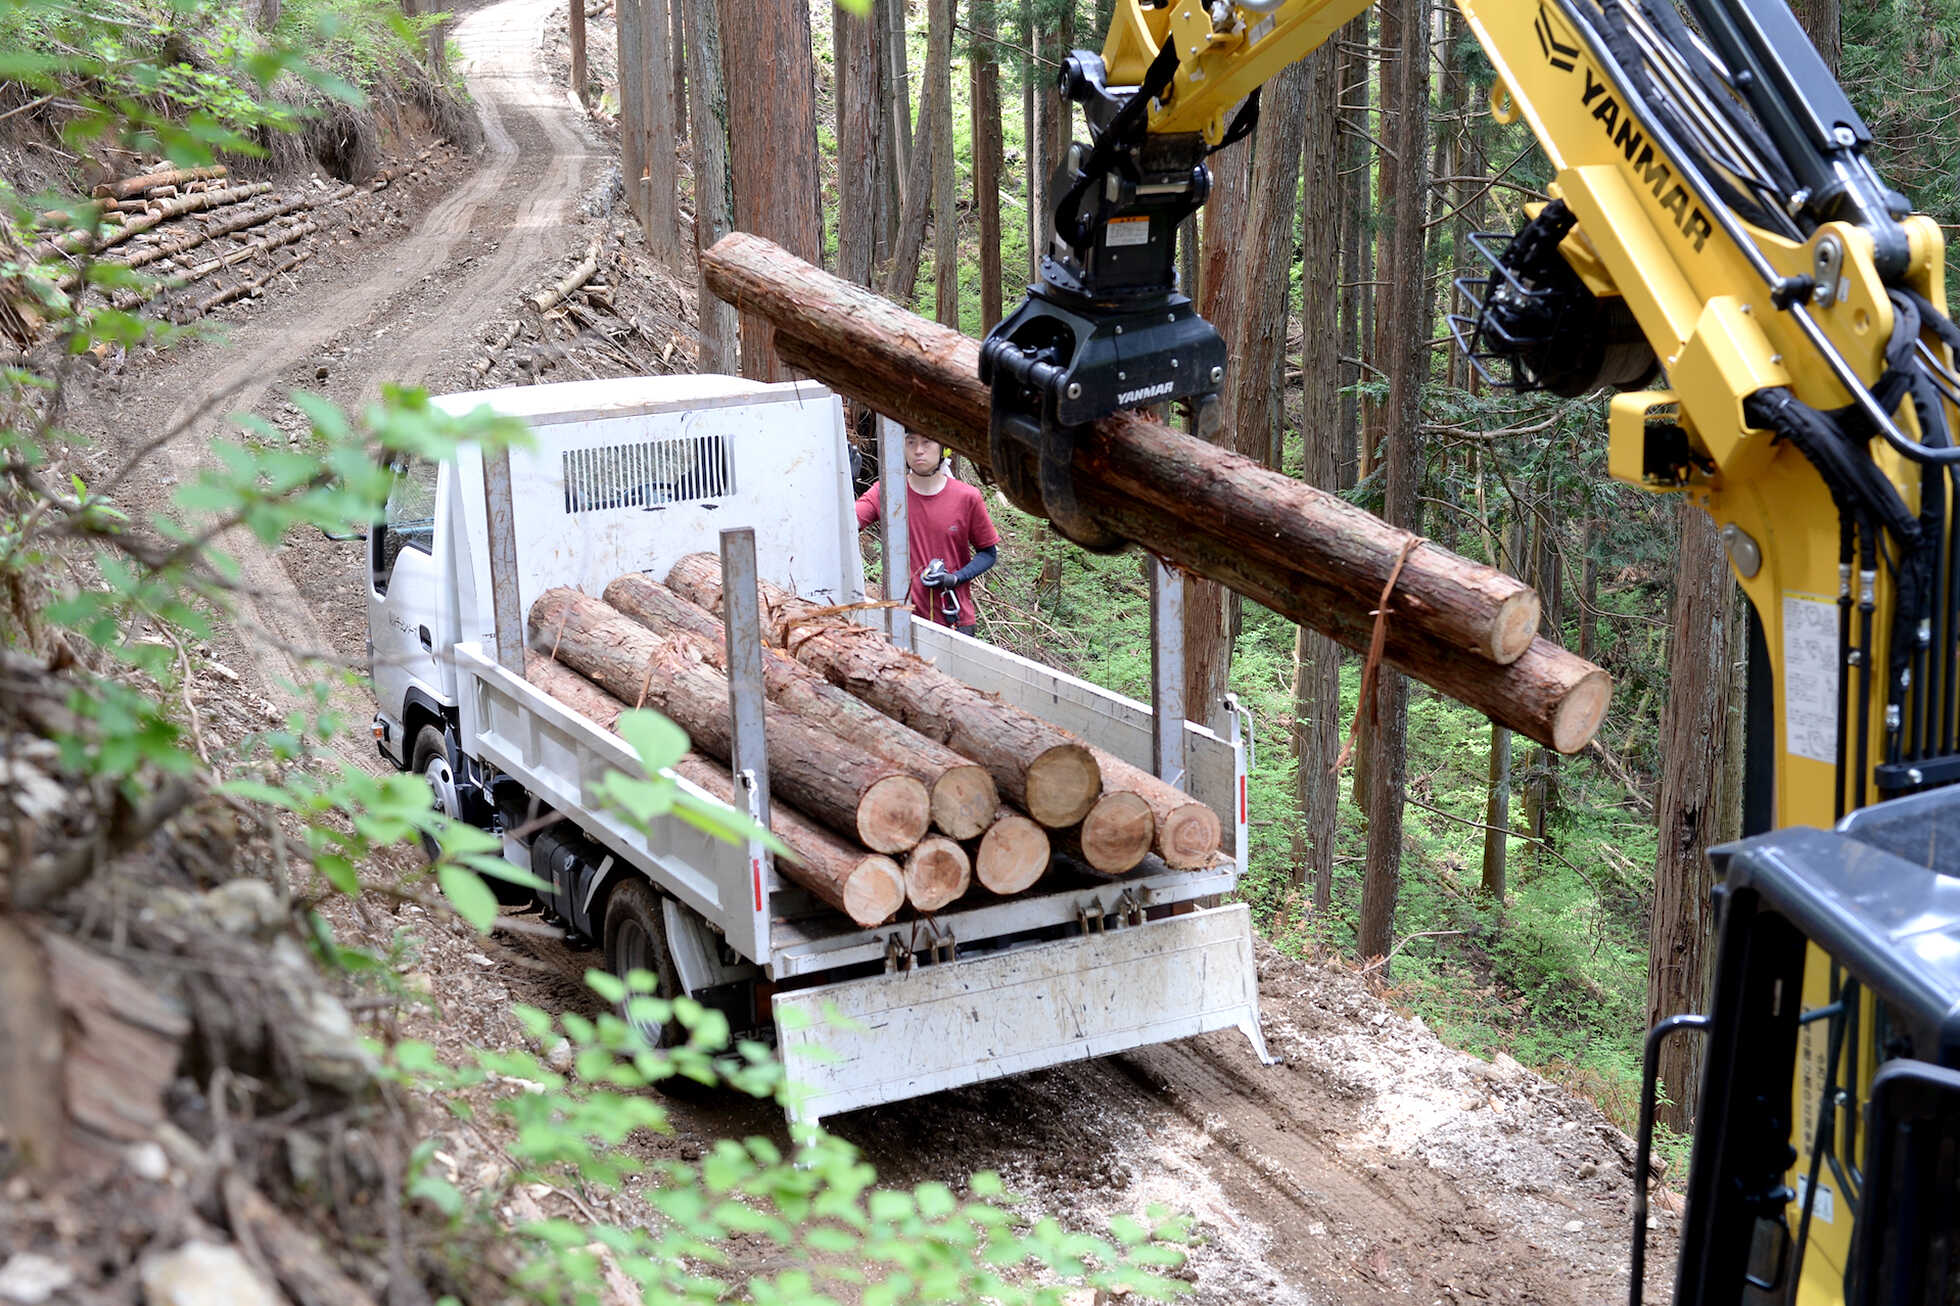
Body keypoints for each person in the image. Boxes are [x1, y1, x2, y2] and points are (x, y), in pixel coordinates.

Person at [855, 429, 1000, 636]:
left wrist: (955, 578)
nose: (918, 451)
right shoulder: (885, 492)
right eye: (911, 442)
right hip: (900, 621)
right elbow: (849, 524)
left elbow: (988, 553)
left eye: (927, 442)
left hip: (954, 621)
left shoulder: (967, 497)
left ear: (943, 448)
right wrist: (846, 482)